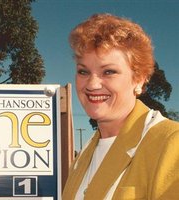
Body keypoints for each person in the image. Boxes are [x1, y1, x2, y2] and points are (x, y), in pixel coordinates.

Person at [63, 14, 179, 199]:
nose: (92, 84)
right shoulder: (84, 154)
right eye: (83, 71)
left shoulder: (172, 142)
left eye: (109, 71)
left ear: (139, 79)